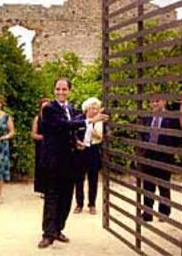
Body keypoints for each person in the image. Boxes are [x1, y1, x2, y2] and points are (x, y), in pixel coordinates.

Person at [38, 78, 108, 249]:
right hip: (53, 160)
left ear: (69, 90)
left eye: (64, 89)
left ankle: (58, 229)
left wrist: (76, 141)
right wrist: (90, 120)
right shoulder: (49, 109)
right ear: (54, 90)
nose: (61, 92)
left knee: (66, 197)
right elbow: (62, 125)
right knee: (52, 196)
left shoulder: (70, 108)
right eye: (58, 89)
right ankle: (47, 234)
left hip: (70, 161)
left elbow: (69, 131)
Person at [140, 94, 182, 222]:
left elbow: (178, 137)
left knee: (164, 185)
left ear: (164, 102)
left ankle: (164, 213)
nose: (154, 104)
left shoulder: (172, 118)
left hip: (164, 156)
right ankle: (147, 213)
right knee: (148, 184)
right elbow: (143, 134)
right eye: (152, 101)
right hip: (149, 155)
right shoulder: (147, 117)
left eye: (157, 101)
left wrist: (169, 150)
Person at [73, 97, 103, 215]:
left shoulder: (100, 121)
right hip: (80, 151)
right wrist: (76, 142)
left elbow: (101, 137)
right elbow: (72, 133)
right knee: (79, 179)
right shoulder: (78, 119)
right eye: (92, 108)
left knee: (93, 179)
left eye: (97, 108)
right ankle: (79, 204)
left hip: (93, 150)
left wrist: (93, 127)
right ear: (86, 109)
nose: (95, 110)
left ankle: (92, 204)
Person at [31, 98, 50, 195]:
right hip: (41, 146)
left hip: (51, 146)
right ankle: (42, 189)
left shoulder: (53, 118)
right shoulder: (37, 118)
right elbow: (33, 134)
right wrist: (43, 137)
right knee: (41, 166)